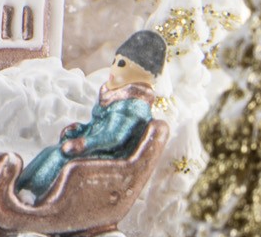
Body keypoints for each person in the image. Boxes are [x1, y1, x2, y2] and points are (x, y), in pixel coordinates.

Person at [16, 30, 164, 203]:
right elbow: (97, 125)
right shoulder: (115, 98)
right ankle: (22, 187)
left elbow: (113, 137)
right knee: (51, 151)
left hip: (109, 158)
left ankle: (35, 194)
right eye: (115, 62)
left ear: (144, 75)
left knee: (59, 156)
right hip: (98, 150)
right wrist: (80, 130)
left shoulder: (132, 106)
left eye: (122, 64)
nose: (114, 69)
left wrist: (84, 143)